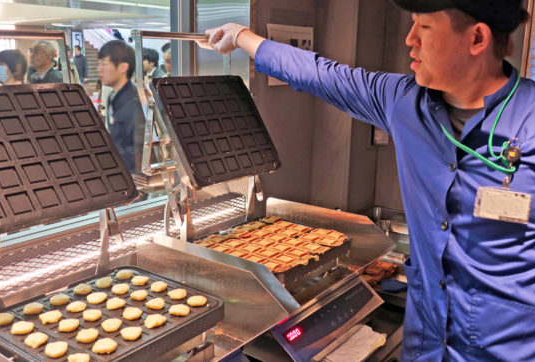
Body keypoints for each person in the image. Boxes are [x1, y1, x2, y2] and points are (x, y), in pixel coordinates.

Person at [199, 1, 535, 361]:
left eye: (424, 27)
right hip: (426, 345)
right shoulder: (405, 102)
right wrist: (241, 36)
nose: (409, 39)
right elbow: (322, 74)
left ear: (477, 38)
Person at [97, 40, 144, 173]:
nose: (99, 69)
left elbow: (135, 150)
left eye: (104, 64)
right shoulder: (116, 96)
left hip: (130, 175)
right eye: (99, 64)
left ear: (123, 67)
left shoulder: (133, 101)